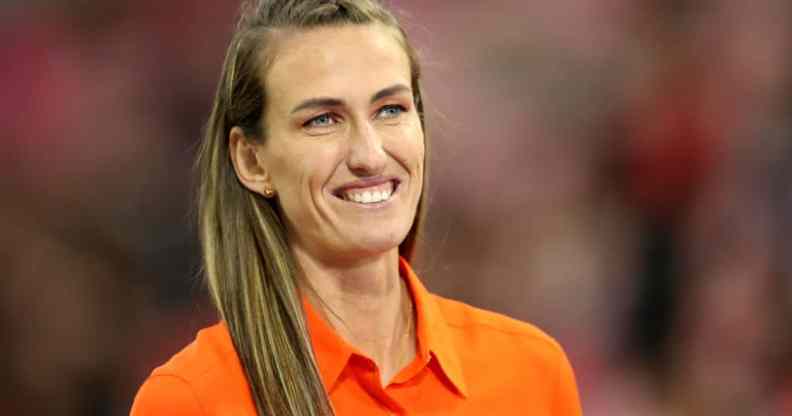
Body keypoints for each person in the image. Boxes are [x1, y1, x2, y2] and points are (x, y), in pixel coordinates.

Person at [130, 0, 582, 415]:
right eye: (322, 120)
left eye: (390, 110)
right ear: (251, 160)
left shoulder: (532, 372)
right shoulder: (190, 399)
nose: (369, 154)